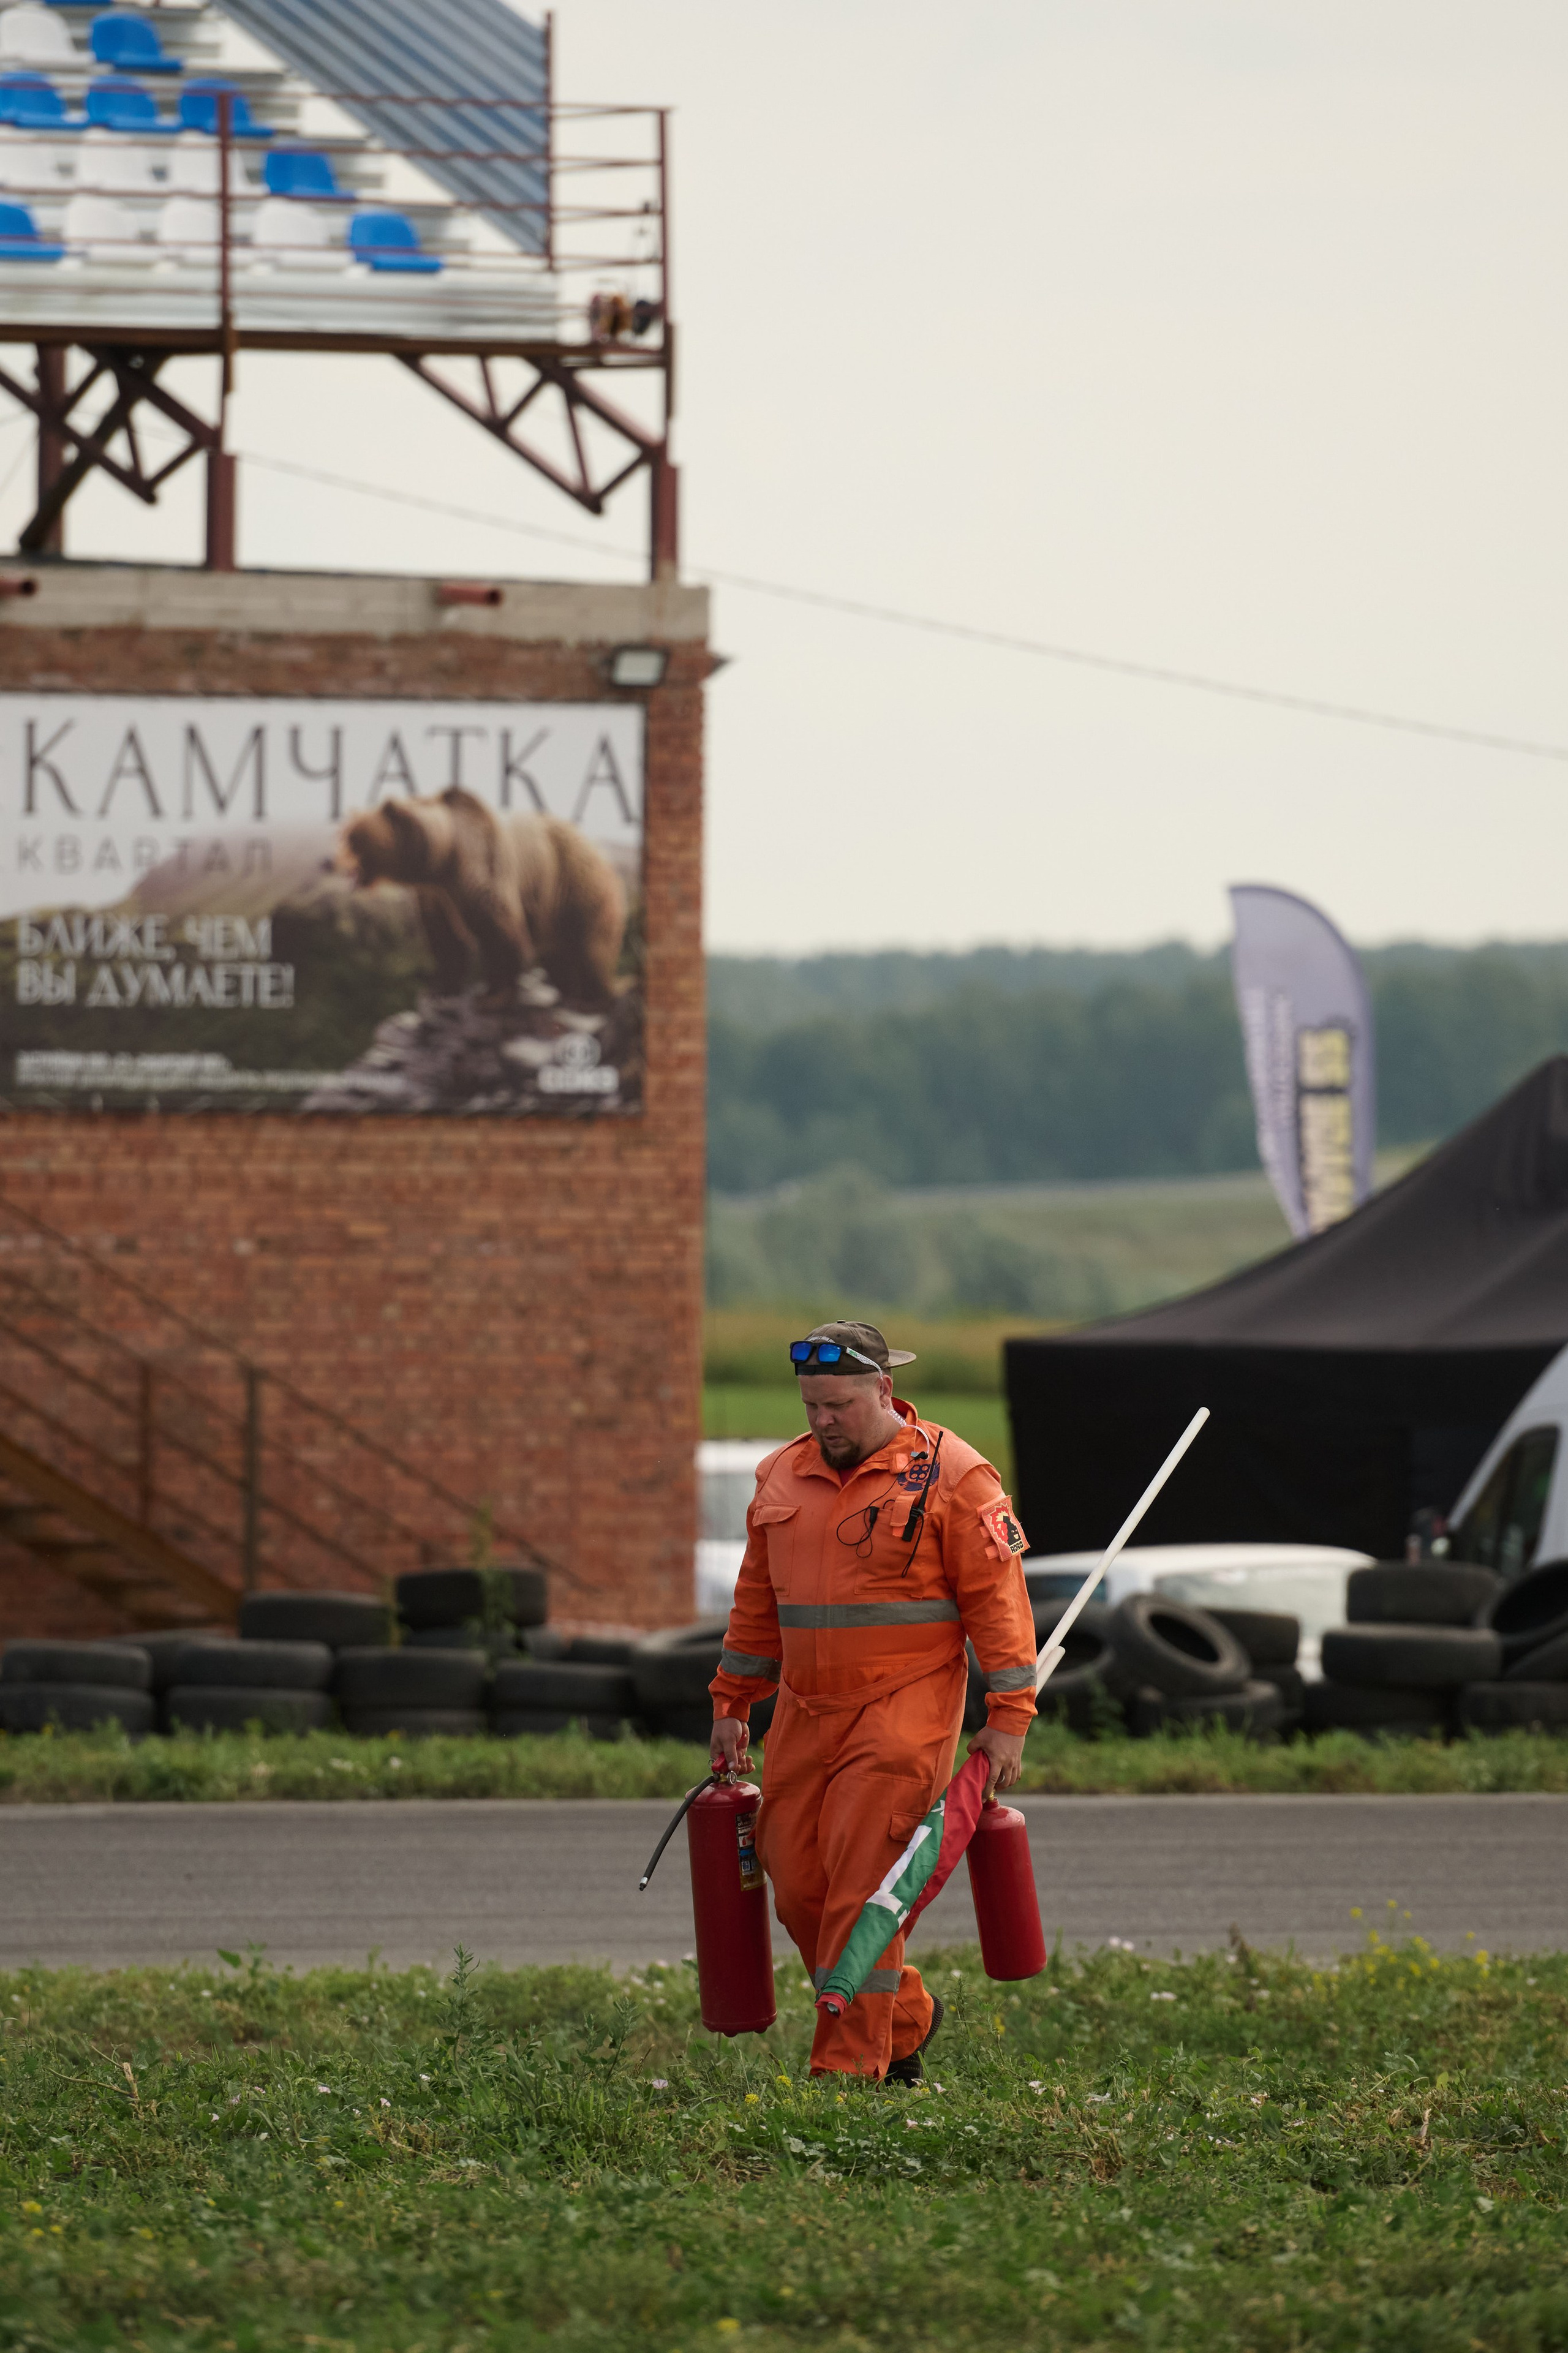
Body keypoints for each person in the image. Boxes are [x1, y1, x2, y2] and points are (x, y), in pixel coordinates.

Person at [709, 1319, 1037, 2084]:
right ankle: (909, 2017)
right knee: (797, 1888)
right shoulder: (779, 1477)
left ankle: (849, 2078)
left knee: (863, 1892)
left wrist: (1008, 1721)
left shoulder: (957, 1475)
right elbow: (756, 1605)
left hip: (902, 1713)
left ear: (883, 1390)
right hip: (803, 1712)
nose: (823, 1420)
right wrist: (732, 1703)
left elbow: (1000, 1605)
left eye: (839, 1405)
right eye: (811, 1405)